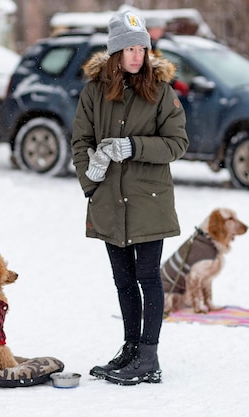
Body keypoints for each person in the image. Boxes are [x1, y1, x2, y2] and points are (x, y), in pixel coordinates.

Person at [71, 10, 189, 386]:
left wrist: (133, 146)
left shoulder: (161, 92)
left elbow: (177, 143)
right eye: (130, 48)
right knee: (122, 280)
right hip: (109, 199)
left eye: (142, 48)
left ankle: (149, 357)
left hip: (148, 199)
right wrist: (89, 179)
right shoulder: (94, 92)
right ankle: (131, 349)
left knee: (147, 277)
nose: (137, 55)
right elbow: (81, 143)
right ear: (115, 53)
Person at [145, 16, 190, 97]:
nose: (161, 32)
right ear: (151, 29)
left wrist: (173, 82)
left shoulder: (154, 46)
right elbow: (155, 71)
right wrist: (174, 83)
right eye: (159, 29)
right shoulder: (145, 47)